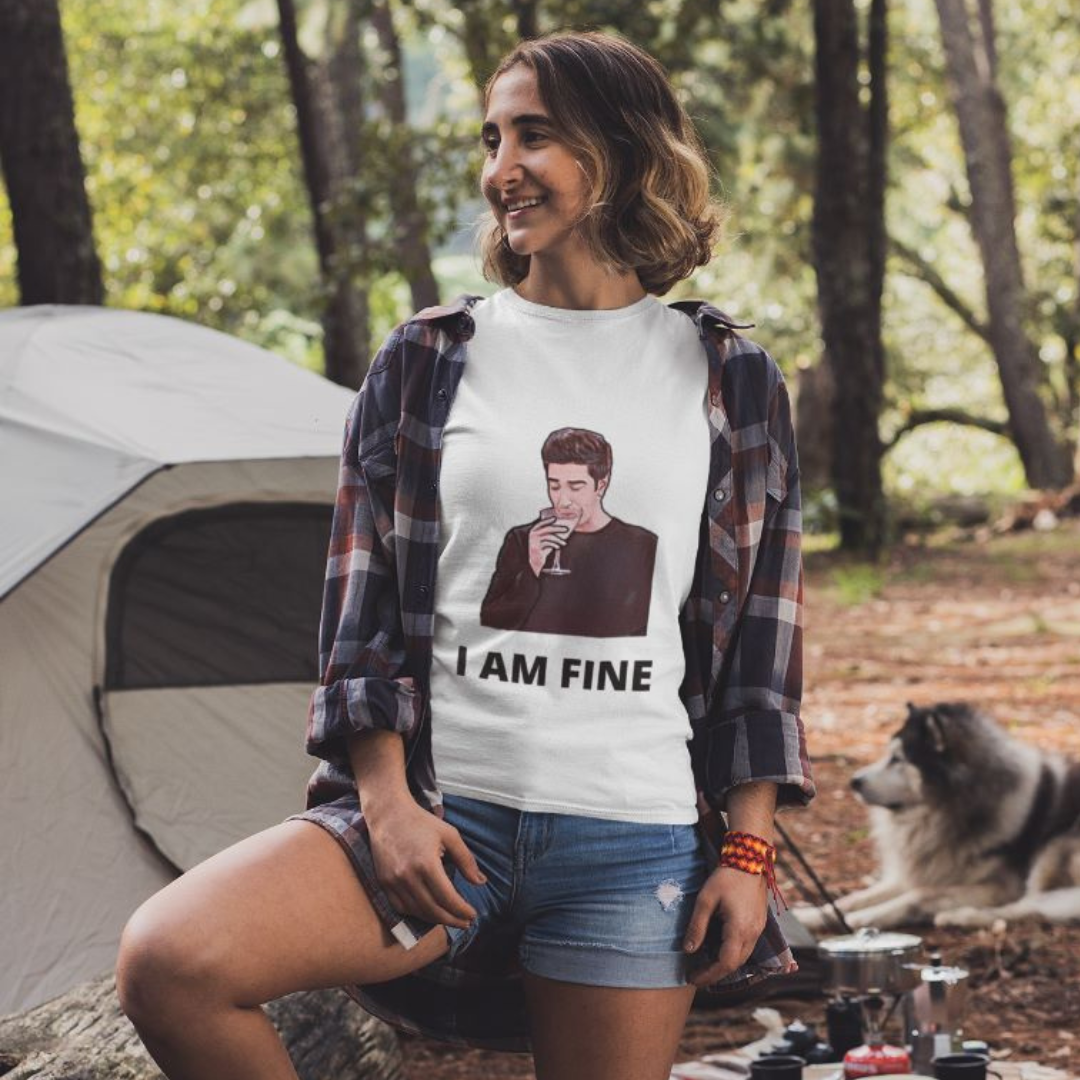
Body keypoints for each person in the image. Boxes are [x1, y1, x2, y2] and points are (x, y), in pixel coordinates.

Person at [114, 28, 815, 1080]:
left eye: (534, 134)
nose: (500, 169)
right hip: (446, 814)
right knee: (170, 958)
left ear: (622, 148)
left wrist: (751, 853)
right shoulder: (430, 360)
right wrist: (387, 806)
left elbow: (761, 646)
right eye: (492, 138)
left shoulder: (731, 377)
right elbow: (363, 614)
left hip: (633, 840)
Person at [480, 426, 659, 636]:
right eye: (555, 486)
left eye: (575, 487)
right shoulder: (522, 540)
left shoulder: (641, 545)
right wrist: (533, 566)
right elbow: (490, 622)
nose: (563, 501)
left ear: (601, 485)